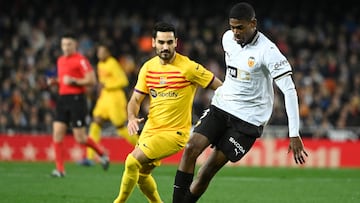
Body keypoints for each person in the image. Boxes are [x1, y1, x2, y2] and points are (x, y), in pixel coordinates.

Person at [172, 2, 309, 202]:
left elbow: (289, 91)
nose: (235, 32)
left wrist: (294, 133)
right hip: (222, 106)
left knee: (208, 169)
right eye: (232, 27)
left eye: (240, 27)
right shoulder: (227, 39)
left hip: (248, 120)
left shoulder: (268, 51)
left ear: (253, 23)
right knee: (191, 148)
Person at [112, 22, 222, 203]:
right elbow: (135, 100)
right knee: (141, 175)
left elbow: (220, 87)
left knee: (132, 162)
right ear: (153, 42)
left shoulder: (188, 67)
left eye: (169, 42)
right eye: (161, 42)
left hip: (174, 133)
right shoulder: (148, 68)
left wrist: (219, 117)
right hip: (150, 129)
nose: (165, 47)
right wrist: (131, 116)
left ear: (176, 42)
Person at [48, 32, 109, 177]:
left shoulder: (81, 60)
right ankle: (60, 170)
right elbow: (64, 80)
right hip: (62, 99)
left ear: (75, 45)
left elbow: (92, 80)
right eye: (63, 44)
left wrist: (74, 81)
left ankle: (102, 154)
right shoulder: (60, 60)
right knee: (57, 133)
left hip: (77, 99)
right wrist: (56, 82)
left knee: (80, 138)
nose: (66, 47)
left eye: (69, 44)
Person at [79, 44, 138, 167]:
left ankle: (143, 148)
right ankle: (90, 157)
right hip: (104, 98)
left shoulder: (112, 63)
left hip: (115, 98)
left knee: (120, 127)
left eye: (102, 52)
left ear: (108, 53)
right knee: (96, 123)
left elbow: (123, 81)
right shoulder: (100, 64)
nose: (99, 54)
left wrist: (108, 85)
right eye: (98, 52)